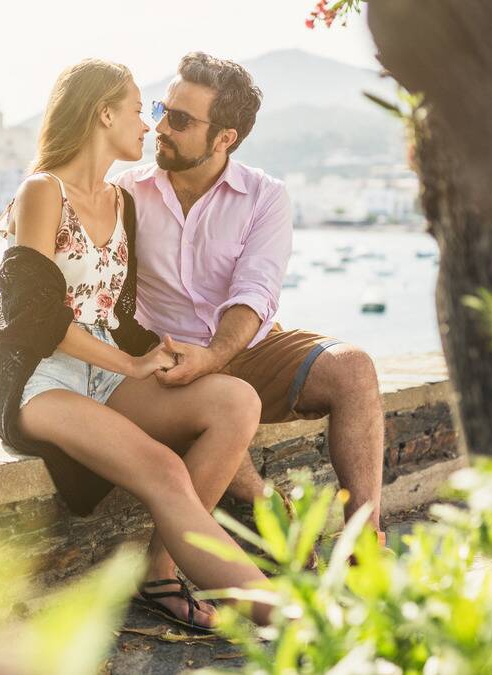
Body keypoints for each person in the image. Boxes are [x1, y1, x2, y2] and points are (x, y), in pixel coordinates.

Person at [0, 58, 272, 631]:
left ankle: (174, 571)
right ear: (104, 113)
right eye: (143, 110)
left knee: (236, 400)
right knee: (164, 471)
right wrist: (129, 363)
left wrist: (166, 356)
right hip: (44, 379)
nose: (150, 125)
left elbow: (116, 314)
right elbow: (31, 318)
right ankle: (295, 621)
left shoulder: (124, 203)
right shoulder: (42, 192)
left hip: (107, 373)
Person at [114, 52, 387, 552]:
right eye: (160, 110)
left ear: (225, 138)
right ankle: (265, 510)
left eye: (179, 120)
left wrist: (215, 356)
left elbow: (255, 292)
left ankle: (364, 543)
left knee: (355, 369)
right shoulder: (126, 192)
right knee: (216, 399)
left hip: (248, 346)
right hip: (165, 355)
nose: (160, 129)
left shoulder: (265, 196)